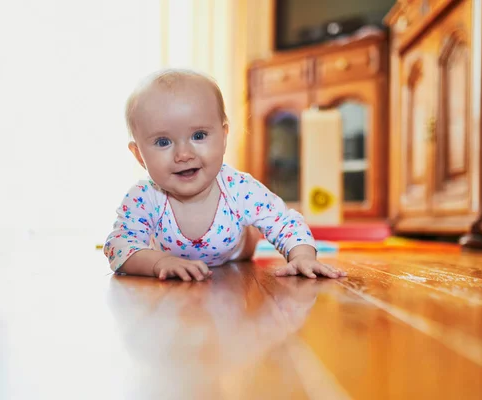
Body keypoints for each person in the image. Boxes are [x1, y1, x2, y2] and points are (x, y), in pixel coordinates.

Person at [103, 68, 347, 281]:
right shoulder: (145, 196)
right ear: (138, 155)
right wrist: (159, 263)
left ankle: (249, 232)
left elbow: (284, 221)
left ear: (223, 137)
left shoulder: (238, 187)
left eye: (198, 136)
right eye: (163, 141)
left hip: (236, 251)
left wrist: (302, 256)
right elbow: (118, 246)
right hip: (170, 260)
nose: (184, 154)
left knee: (255, 228)